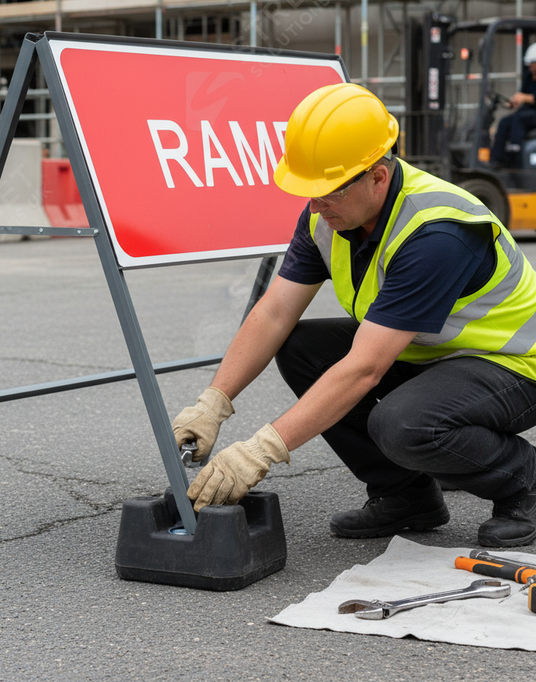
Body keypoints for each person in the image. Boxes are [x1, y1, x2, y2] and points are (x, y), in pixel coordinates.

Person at [173, 82, 536, 548]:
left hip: (512, 364)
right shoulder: (326, 215)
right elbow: (275, 311)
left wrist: (262, 449)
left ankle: (524, 483)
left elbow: (365, 367)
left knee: (405, 424)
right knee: (301, 347)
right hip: (432, 352)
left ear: (379, 177)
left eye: (328, 192)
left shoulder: (437, 232)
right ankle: (405, 496)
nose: (317, 205)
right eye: (310, 192)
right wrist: (214, 401)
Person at [489, 43, 536, 167]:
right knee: (505, 122)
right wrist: (515, 101)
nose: (530, 67)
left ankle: (515, 153)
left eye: (533, 63)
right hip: (528, 112)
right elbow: (523, 94)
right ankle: (496, 159)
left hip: (532, 115)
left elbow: (527, 97)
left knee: (519, 119)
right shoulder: (529, 77)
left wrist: (525, 98)